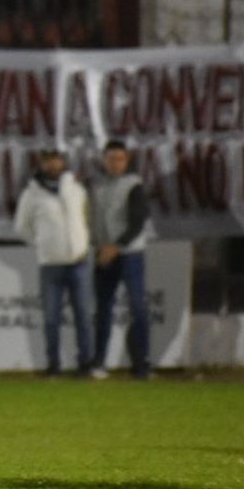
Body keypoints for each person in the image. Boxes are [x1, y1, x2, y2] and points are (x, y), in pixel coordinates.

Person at [14, 148, 94, 377]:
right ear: (41, 164)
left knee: (83, 315)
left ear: (63, 162)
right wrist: (43, 245)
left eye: (56, 160)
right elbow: (22, 227)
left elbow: (86, 219)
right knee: (51, 318)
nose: (52, 165)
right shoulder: (31, 194)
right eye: (48, 161)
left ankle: (85, 363)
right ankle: (53, 364)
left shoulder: (77, 190)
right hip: (50, 264)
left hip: (78, 260)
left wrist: (82, 243)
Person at [90, 140, 152, 380]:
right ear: (104, 160)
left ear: (127, 160)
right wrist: (98, 246)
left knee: (138, 306)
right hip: (104, 253)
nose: (115, 163)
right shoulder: (96, 185)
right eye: (111, 158)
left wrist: (116, 246)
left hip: (129, 254)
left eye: (120, 159)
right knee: (103, 309)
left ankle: (141, 362)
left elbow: (138, 221)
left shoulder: (134, 185)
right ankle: (99, 362)